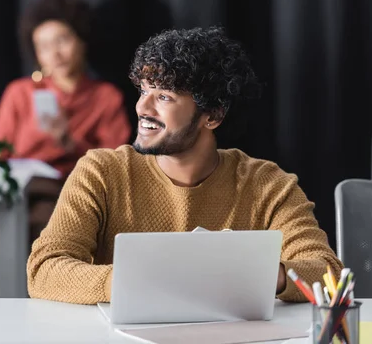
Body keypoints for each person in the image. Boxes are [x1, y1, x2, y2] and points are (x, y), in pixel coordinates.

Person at [27, 26, 343, 305]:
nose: (142, 107)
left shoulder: (267, 183)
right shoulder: (102, 171)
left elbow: (327, 271)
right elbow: (45, 268)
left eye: (164, 97)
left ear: (213, 116)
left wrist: (259, 274)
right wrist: (133, 282)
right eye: (143, 90)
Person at [0, 0, 131, 241]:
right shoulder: (20, 92)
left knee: (51, 219)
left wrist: (70, 143)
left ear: (82, 40)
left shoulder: (105, 96)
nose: (55, 53)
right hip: (20, 188)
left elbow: (116, 162)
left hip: (75, 189)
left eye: (62, 40)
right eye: (43, 47)